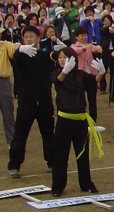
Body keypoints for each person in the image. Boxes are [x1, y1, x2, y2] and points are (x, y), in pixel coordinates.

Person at [50, 47, 105, 196]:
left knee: (82, 153)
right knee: (61, 155)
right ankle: (58, 187)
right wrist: (65, 70)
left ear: (72, 59)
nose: (61, 60)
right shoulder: (56, 73)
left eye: (65, 57)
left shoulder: (80, 75)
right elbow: (58, 80)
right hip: (64, 120)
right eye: (60, 57)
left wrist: (101, 72)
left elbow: (93, 82)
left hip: (80, 120)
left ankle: (86, 183)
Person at [8, 26, 58, 178]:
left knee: (48, 133)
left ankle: (52, 161)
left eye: (32, 36)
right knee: (20, 134)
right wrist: (19, 49)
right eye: (26, 37)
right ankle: (14, 165)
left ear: (38, 38)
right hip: (26, 101)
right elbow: (16, 58)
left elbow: (55, 61)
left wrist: (61, 51)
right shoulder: (22, 56)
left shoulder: (44, 56)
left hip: (44, 100)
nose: (29, 39)